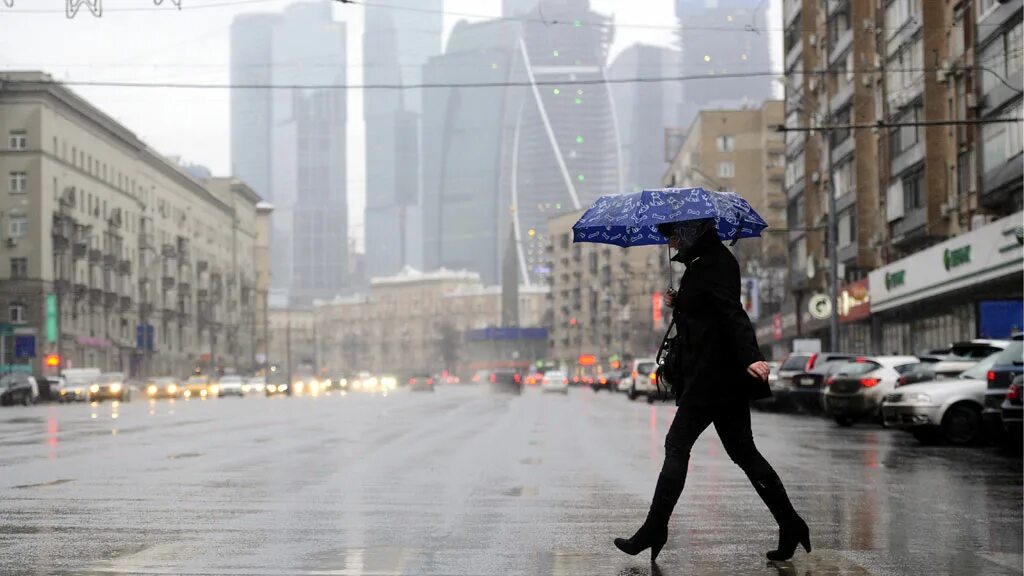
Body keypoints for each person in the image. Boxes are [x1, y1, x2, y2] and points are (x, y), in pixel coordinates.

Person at [614, 218, 810, 564]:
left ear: (691, 231)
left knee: (677, 445)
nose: (672, 243)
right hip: (717, 378)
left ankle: (654, 528)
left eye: (674, 235)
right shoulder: (704, 263)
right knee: (744, 453)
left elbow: (731, 311)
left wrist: (752, 356)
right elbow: (708, 312)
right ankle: (790, 523)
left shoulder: (715, 263)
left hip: (712, 378)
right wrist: (681, 301)